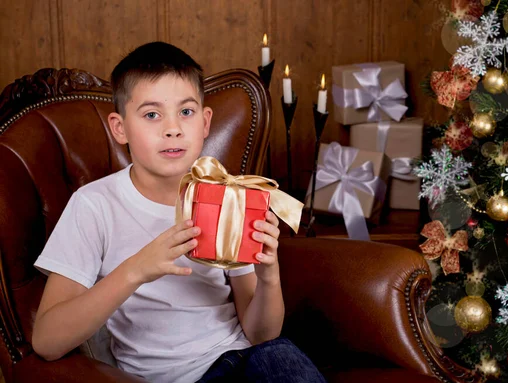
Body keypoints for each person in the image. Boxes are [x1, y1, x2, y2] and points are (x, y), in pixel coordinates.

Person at [31, 41, 327, 383]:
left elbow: (262, 335)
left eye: (185, 112)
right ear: (120, 127)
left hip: (248, 359)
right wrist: (135, 271)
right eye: (152, 114)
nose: (172, 128)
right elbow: (47, 341)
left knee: (283, 359)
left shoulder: (227, 196)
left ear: (205, 122)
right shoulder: (94, 205)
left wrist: (268, 276)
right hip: (167, 377)